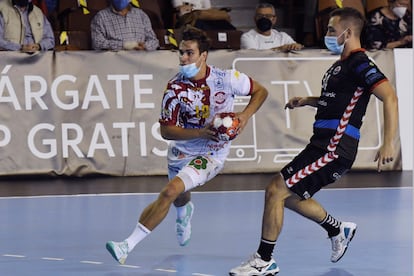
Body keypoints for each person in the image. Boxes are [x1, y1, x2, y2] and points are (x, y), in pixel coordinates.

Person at [230, 7, 398, 275]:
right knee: (287, 196)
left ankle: (264, 261)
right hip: (320, 143)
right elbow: (337, 102)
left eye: (332, 30)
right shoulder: (339, 66)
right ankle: (336, 229)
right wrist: (307, 101)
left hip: (335, 146)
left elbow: (389, 97)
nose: (328, 35)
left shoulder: (361, 63)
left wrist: (388, 142)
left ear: (349, 32)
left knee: (275, 190)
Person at [105, 26, 268, 265]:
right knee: (179, 196)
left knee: (170, 191)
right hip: (182, 150)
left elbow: (261, 92)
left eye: (189, 53)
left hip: (212, 154)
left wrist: (244, 116)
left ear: (203, 55)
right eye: (181, 53)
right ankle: (184, 212)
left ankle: (126, 245)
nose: (183, 58)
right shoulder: (174, 89)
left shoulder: (226, 79)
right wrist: (201, 132)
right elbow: (166, 131)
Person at [90, 0, 159, 51]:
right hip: (115, 65)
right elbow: (97, 43)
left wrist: (145, 46)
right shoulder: (101, 17)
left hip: (140, 64)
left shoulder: (141, 15)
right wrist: (124, 45)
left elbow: (154, 41)